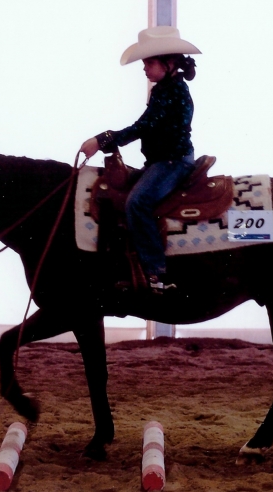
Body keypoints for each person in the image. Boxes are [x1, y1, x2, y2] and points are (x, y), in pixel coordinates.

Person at [80, 26, 200, 293]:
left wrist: (102, 140)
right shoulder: (164, 89)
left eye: (149, 62)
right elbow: (145, 125)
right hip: (161, 161)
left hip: (173, 161)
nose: (144, 68)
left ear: (168, 63)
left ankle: (156, 273)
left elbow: (143, 127)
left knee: (137, 202)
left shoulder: (174, 92)